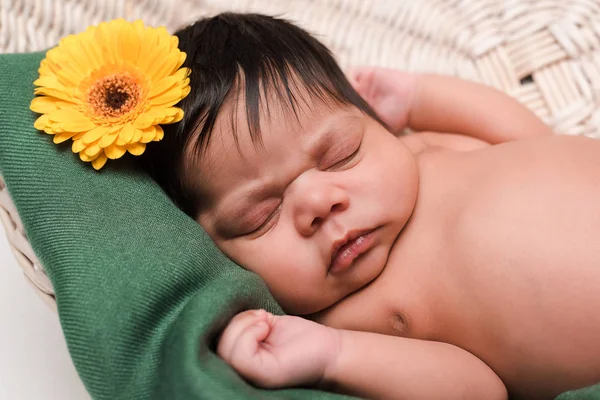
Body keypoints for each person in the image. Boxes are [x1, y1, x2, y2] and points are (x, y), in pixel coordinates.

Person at [139, 12, 600, 400]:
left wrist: (420, 97)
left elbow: (533, 138)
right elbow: (480, 390)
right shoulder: (347, 317)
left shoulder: (425, 148)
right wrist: (333, 355)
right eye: (261, 215)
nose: (319, 203)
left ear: (373, 121)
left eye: (340, 153)